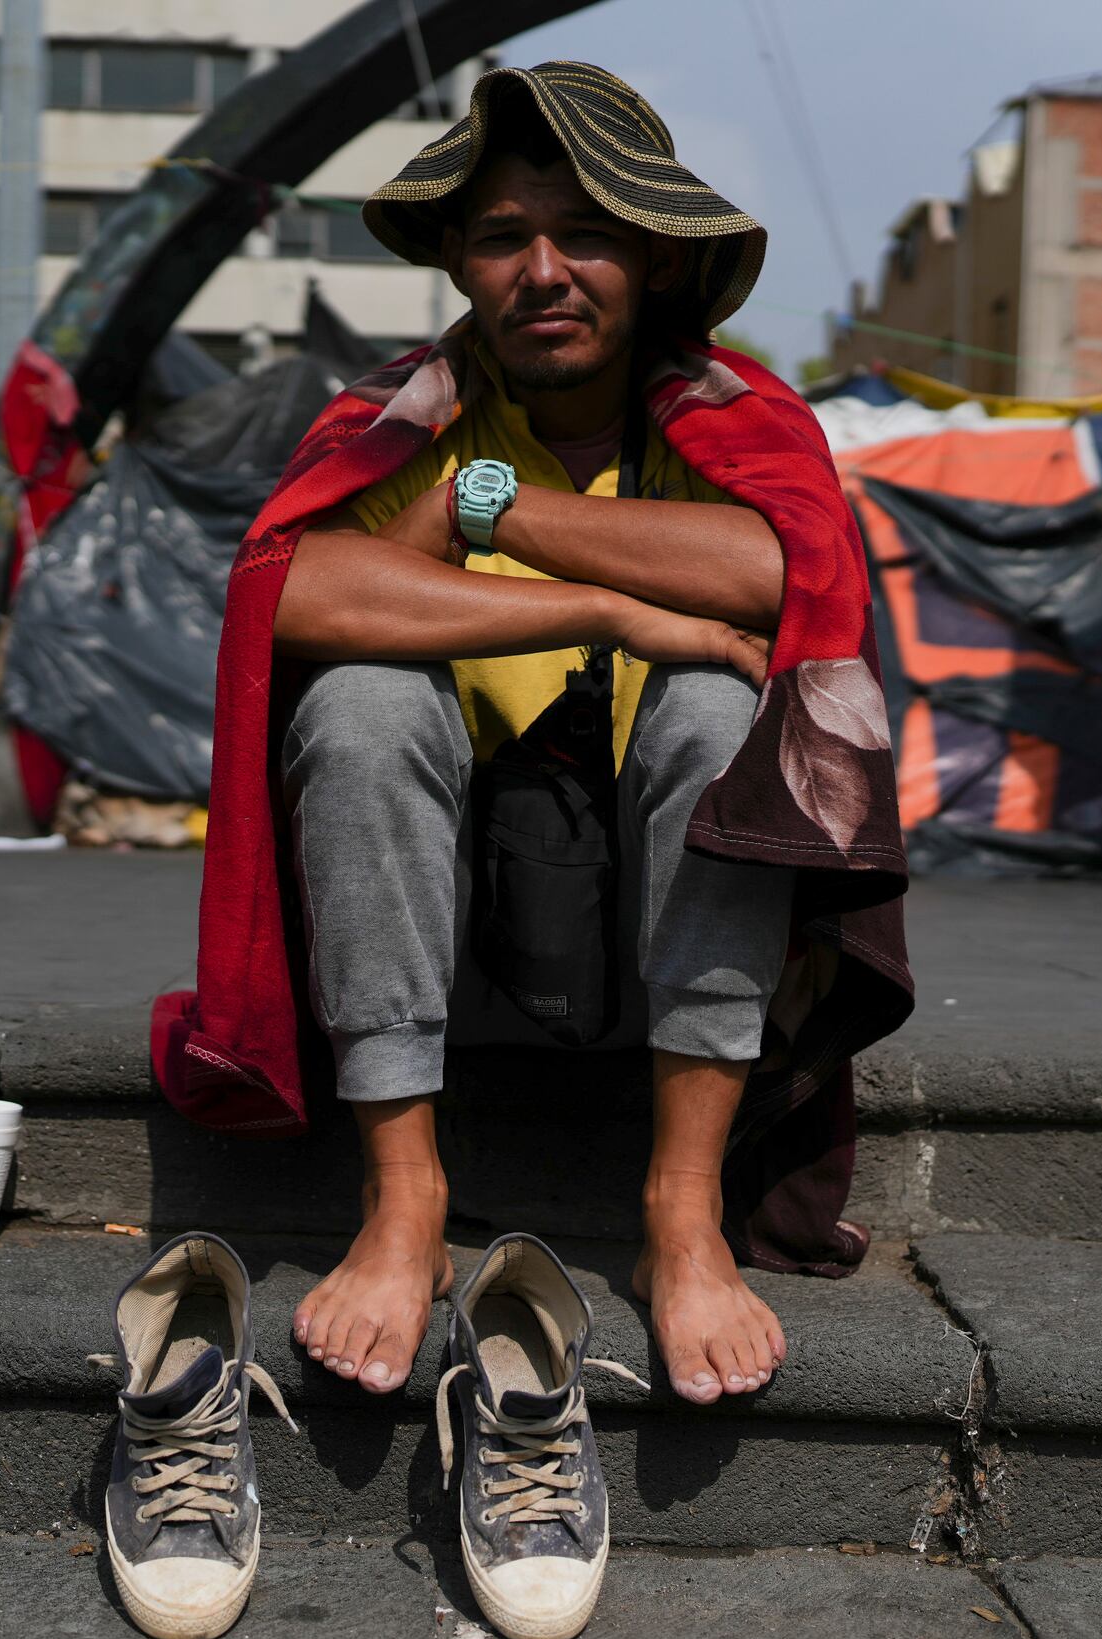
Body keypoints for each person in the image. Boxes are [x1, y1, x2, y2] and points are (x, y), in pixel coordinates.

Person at [149, 64, 912, 1403]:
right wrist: (621, 609)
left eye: (589, 235)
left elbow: (782, 571)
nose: (544, 271)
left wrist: (495, 516)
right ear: (459, 260)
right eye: (504, 237)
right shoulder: (399, 420)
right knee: (360, 695)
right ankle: (401, 1199)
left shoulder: (738, 418)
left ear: (658, 261)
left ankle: (682, 1215)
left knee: (723, 701)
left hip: (681, 950)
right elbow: (295, 588)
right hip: (443, 945)